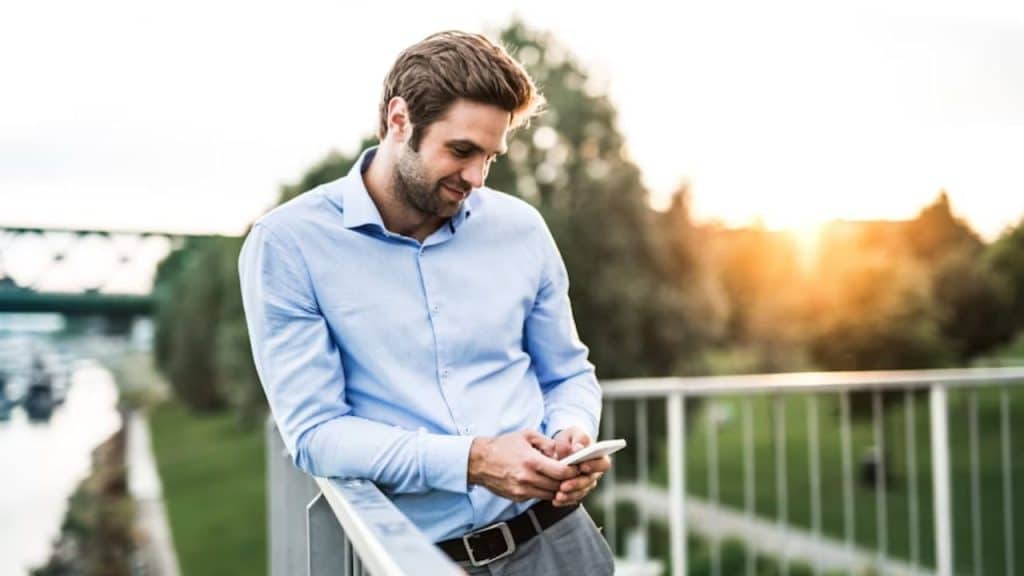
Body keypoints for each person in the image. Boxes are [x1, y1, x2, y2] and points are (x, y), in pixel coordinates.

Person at [239, 30, 613, 575]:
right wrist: (475, 461)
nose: (476, 178)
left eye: (490, 156)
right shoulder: (288, 245)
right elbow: (316, 434)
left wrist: (570, 433)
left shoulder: (521, 229)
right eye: (461, 151)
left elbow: (568, 373)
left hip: (560, 546)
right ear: (399, 121)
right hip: (415, 561)